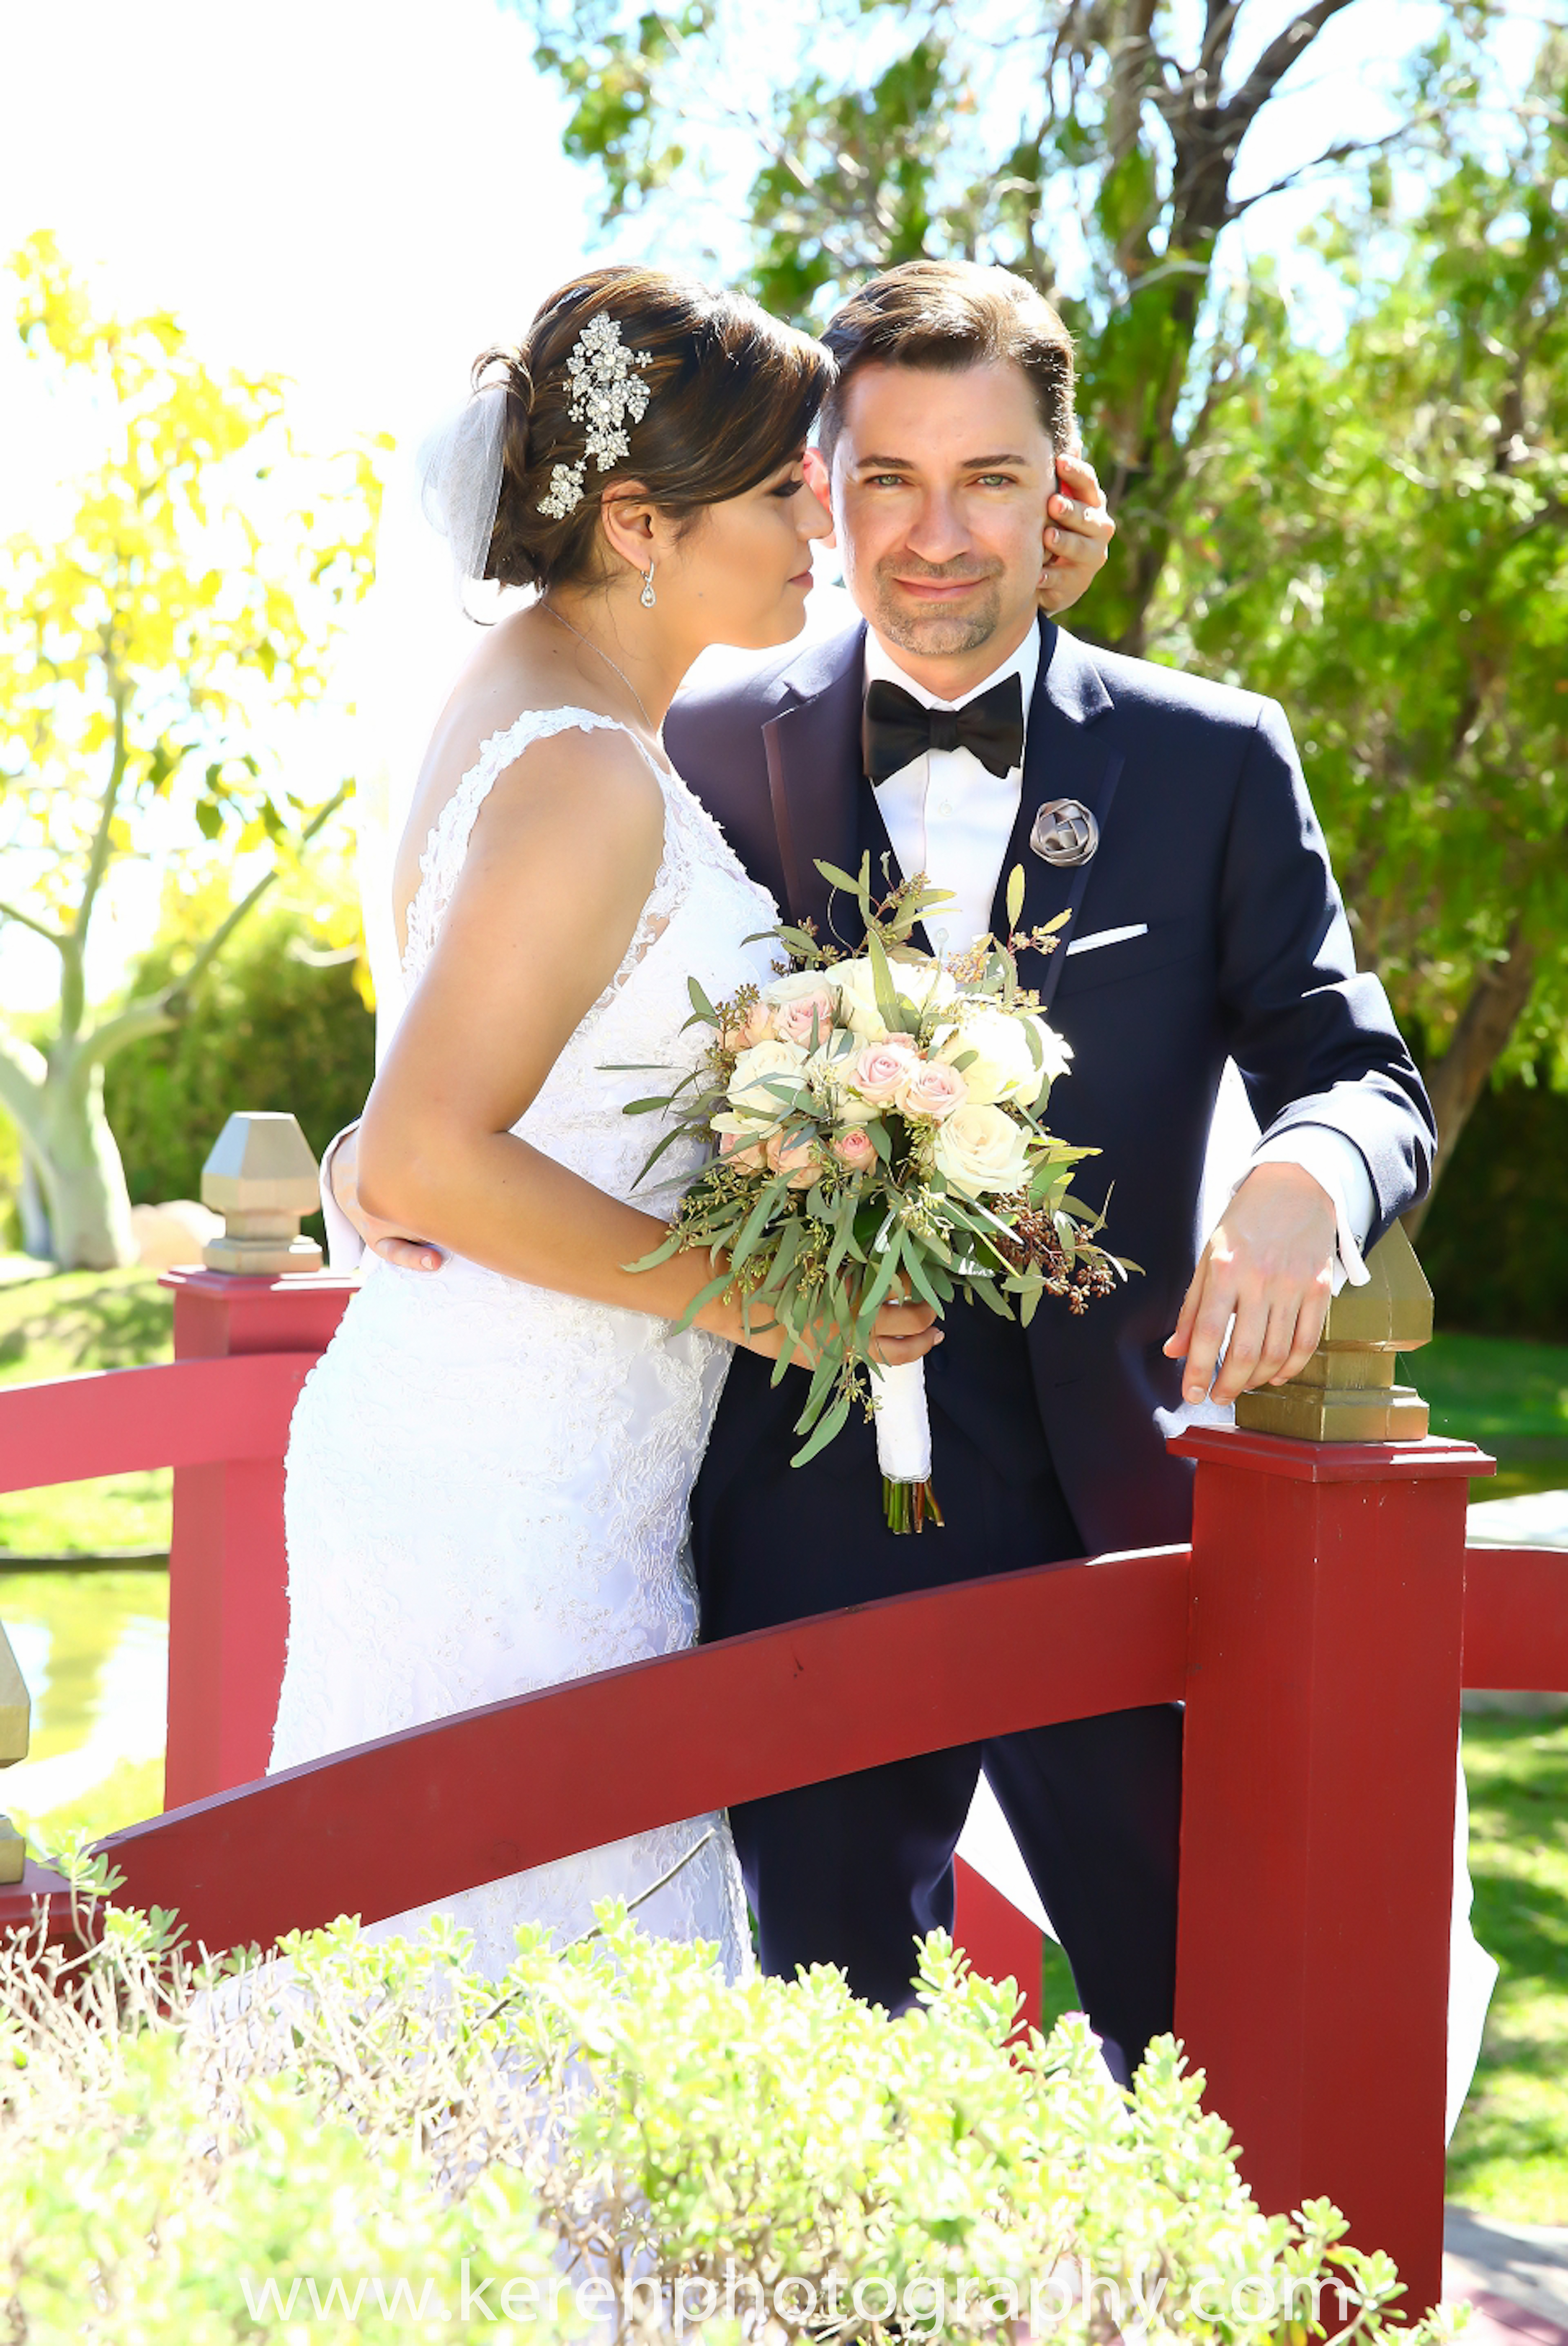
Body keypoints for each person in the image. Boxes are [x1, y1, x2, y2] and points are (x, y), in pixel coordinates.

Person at [271, 261, 1109, 1981]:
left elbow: (426, 1109)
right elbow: (434, 1153)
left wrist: (1026, 584)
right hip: (514, 1488)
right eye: (788, 485)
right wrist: (766, 1301)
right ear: (642, 522)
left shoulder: (544, 702)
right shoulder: (583, 770)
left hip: (536, 1442)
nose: (824, 514)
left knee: (481, 2012)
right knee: (529, 2007)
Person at [658, 261, 1436, 2080]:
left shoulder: (1210, 757)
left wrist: (1304, 1179)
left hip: (1127, 1516)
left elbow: (1356, 1064)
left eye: (988, 477)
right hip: (800, 1518)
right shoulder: (698, 745)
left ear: (1059, 485)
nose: (937, 535)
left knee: (1214, 2042)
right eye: (888, 480)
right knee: (837, 2081)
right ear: (818, 492)